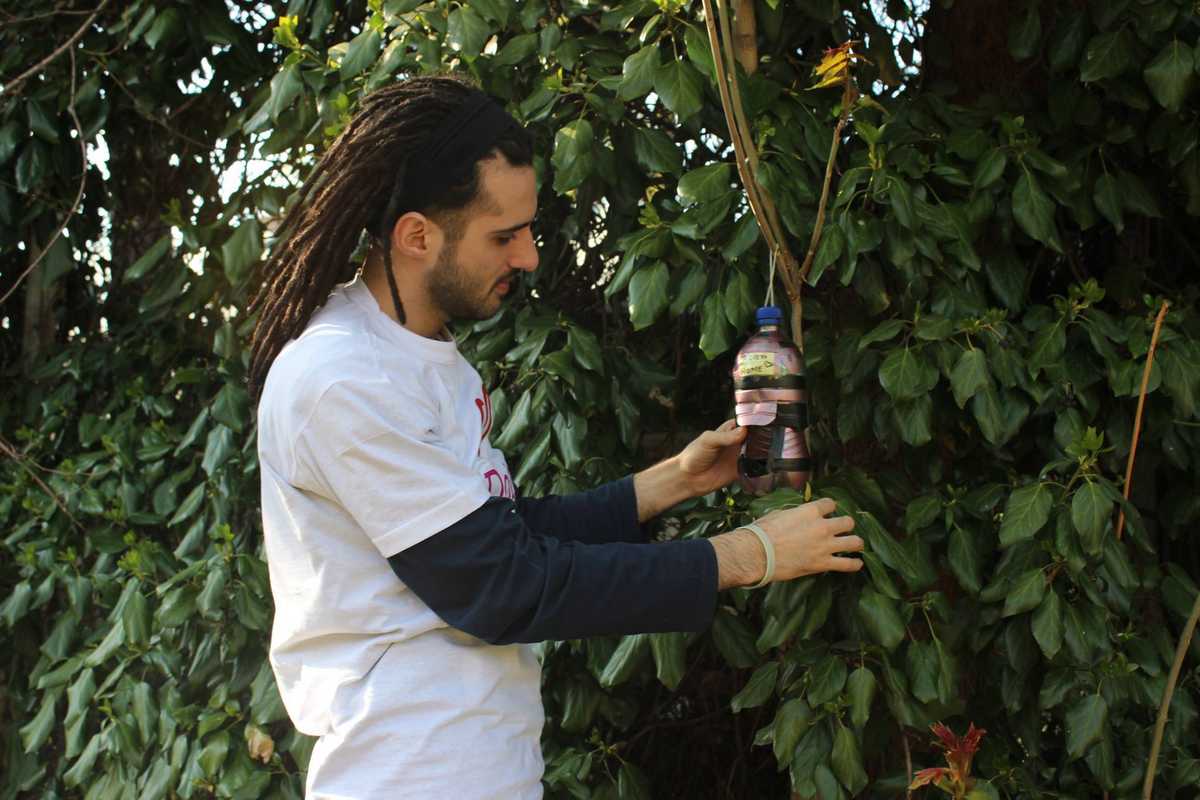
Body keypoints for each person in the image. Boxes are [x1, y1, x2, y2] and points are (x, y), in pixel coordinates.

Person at [247, 75, 863, 799]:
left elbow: (495, 536)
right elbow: (503, 587)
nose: (530, 256)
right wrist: (747, 554)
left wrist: (677, 480)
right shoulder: (343, 378)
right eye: (503, 236)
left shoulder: (417, 355)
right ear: (417, 236)